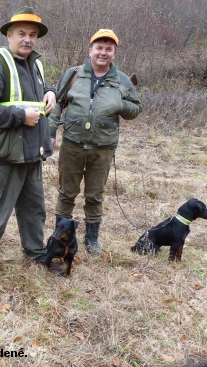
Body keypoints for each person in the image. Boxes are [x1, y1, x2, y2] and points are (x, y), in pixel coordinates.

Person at [0, 6, 58, 285]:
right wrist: (21, 117)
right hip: (7, 155)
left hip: (32, 154)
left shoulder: (35, 64)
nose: (27, 39)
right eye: (21, 33)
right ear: (9, 35)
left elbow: (35, 97)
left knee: (34, 209)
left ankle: (35, 254)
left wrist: (50, 92)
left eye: (32, 35)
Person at [49, 29, 142, 254]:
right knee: (67, 193)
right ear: (90, 50)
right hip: (72, 144)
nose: (103, 53)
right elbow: (57, 103)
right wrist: (50, 132)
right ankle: (61, 236)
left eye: (108, 49)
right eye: (99, 48)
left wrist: (121, 105)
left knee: (95, 195)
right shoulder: (73, 75)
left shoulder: (121, 80)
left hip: (103, 148)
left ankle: (92, 240)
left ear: (114, 53)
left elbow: (136, 109)